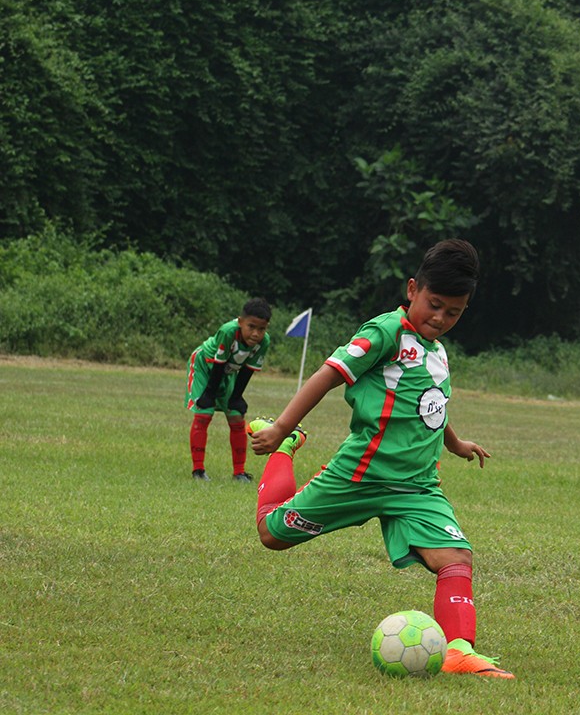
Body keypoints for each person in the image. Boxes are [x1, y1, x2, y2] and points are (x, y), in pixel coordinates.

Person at [248, 239, 514, 679]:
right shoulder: (384, 332)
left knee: (456, 560)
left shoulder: (437, 350)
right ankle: (285, 448)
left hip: (417, 486)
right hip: (360, 476)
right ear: (412, 289)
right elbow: (328, 375)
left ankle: (458, 651)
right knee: (272, 534)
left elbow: (429, 403)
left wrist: (454, 442)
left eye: (454, 312)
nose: (440, 318)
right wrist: (279, 426)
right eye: (434, 304)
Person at [186, 297, 272, 483]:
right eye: (251, 327)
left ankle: (239, 472)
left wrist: (237, 396)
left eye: (261, 329)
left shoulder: (263, 342)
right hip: (206, 366)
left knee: (236, 415)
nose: (256, 333)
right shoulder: (228, 331)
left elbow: (248, 370)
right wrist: (208, 394)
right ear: (240, 322)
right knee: (204, 413)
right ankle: (198, 471)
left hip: (228, 371)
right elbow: (218, 363)